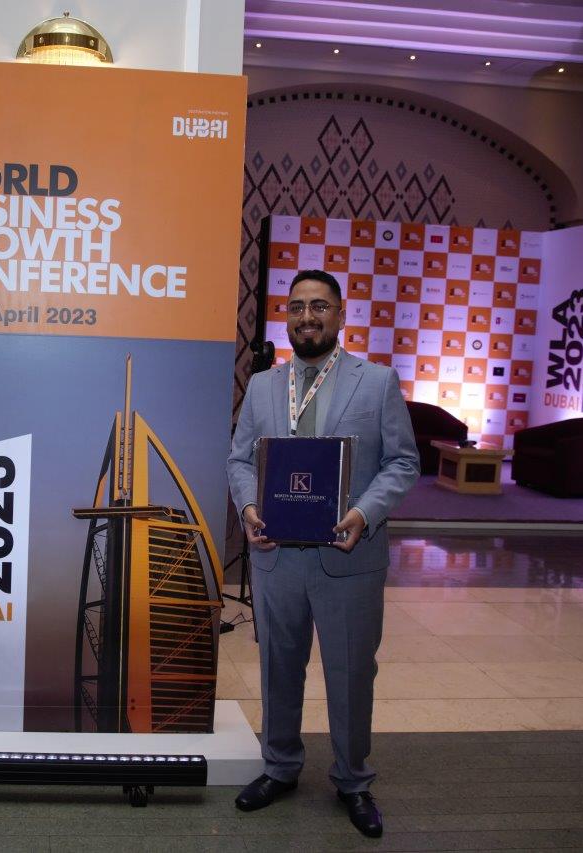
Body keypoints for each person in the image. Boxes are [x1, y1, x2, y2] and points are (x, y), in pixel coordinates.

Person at [226, 269, 418, 837]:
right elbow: (240, 460)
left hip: (349, 557)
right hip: (276, 557)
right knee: (278, 669)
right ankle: (279, 767)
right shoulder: (263, 385)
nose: (306, 317)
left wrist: (364, 512)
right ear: (286, 317)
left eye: (319, 306)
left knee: (351, 674)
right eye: (296, 307)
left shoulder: (376, 382)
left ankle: (353, 780)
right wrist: (248, 508)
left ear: (339, 315)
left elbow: (403, 462)